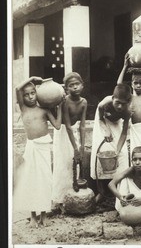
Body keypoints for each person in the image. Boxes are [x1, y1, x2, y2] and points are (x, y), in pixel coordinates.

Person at [14, 76, 62, 228]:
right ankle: (33, 217)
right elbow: (17, 89)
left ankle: (44, 215)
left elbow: (58, 125)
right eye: (27, 94)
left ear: (37, 93)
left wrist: (60, 107)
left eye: (32, 93)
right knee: (31, 181)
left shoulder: (45, 110)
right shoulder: (23, 108)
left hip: (44, 147)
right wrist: (31, 78)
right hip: (31, 147)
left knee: (45, 180)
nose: (30, 97)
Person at [90, 83, 132, 203]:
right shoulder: (104, 104)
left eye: (123, 104)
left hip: (116, 122)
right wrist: (106, 131)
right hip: (102, 121)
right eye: (117, 102)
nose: (119, 106)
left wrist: (117, 150)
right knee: (101, 152)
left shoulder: (127, 112)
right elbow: (100, 119)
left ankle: (118, 190)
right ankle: (101, 191)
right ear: (113, 98)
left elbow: (124, 133)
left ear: (128, 102)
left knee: (121, 154)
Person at [52, 72, 87, 211]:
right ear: (66, 89)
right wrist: (75, 148)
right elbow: (67, 126)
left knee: (74, 164)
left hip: (74, 132)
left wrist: (82, 146)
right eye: (71, 86)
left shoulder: (84, 102)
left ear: (82, 86)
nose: (75, 88)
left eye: (77, 84)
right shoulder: (65, 102)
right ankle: (60, 201)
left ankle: (72, 196)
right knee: (63, 163)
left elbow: (83, 125)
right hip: (62, 134)